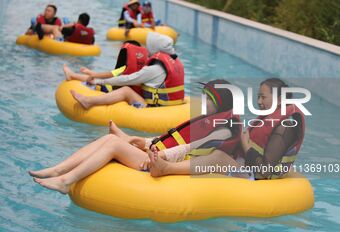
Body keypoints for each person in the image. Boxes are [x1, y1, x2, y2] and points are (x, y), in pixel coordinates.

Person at [29, 81, 240, 194]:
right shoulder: (207, 119)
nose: (203, 101)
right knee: (108, 140)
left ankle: (66, 181)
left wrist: (159, 154)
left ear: (219, 103)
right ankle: (59, 170)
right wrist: (146, 141)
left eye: (208, 98)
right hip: (158, 153)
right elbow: (175, 138)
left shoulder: (221, 128)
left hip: (160, 162)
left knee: (112, 143)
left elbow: (188, 149)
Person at [145, 78, 305, 180]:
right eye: (258, 97)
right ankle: (164, 158)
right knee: (216, 151)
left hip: (257, 178)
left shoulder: (286, 127)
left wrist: (245, 143)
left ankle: (167, 168)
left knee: (219, 157)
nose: (259, 101)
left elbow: (264, 170)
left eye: (263, 97)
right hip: (245, 166)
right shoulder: (271, 117)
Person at [69, 32, 185, 109]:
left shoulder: (155, 69)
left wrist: (99, 81)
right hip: (171, 106)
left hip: (157, 109)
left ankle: (89, 102)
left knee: (126, 90)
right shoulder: (175, 63)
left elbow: (128, 79)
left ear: (155, 48)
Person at [64, 40, 149, 94]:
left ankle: (72, 75)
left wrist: (93, 75)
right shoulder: (143, 68)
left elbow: (109, 75)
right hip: (129, 91)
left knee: (95, 80)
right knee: (101, 78)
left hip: (112, 91)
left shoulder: (125, 68)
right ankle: (90, 73)